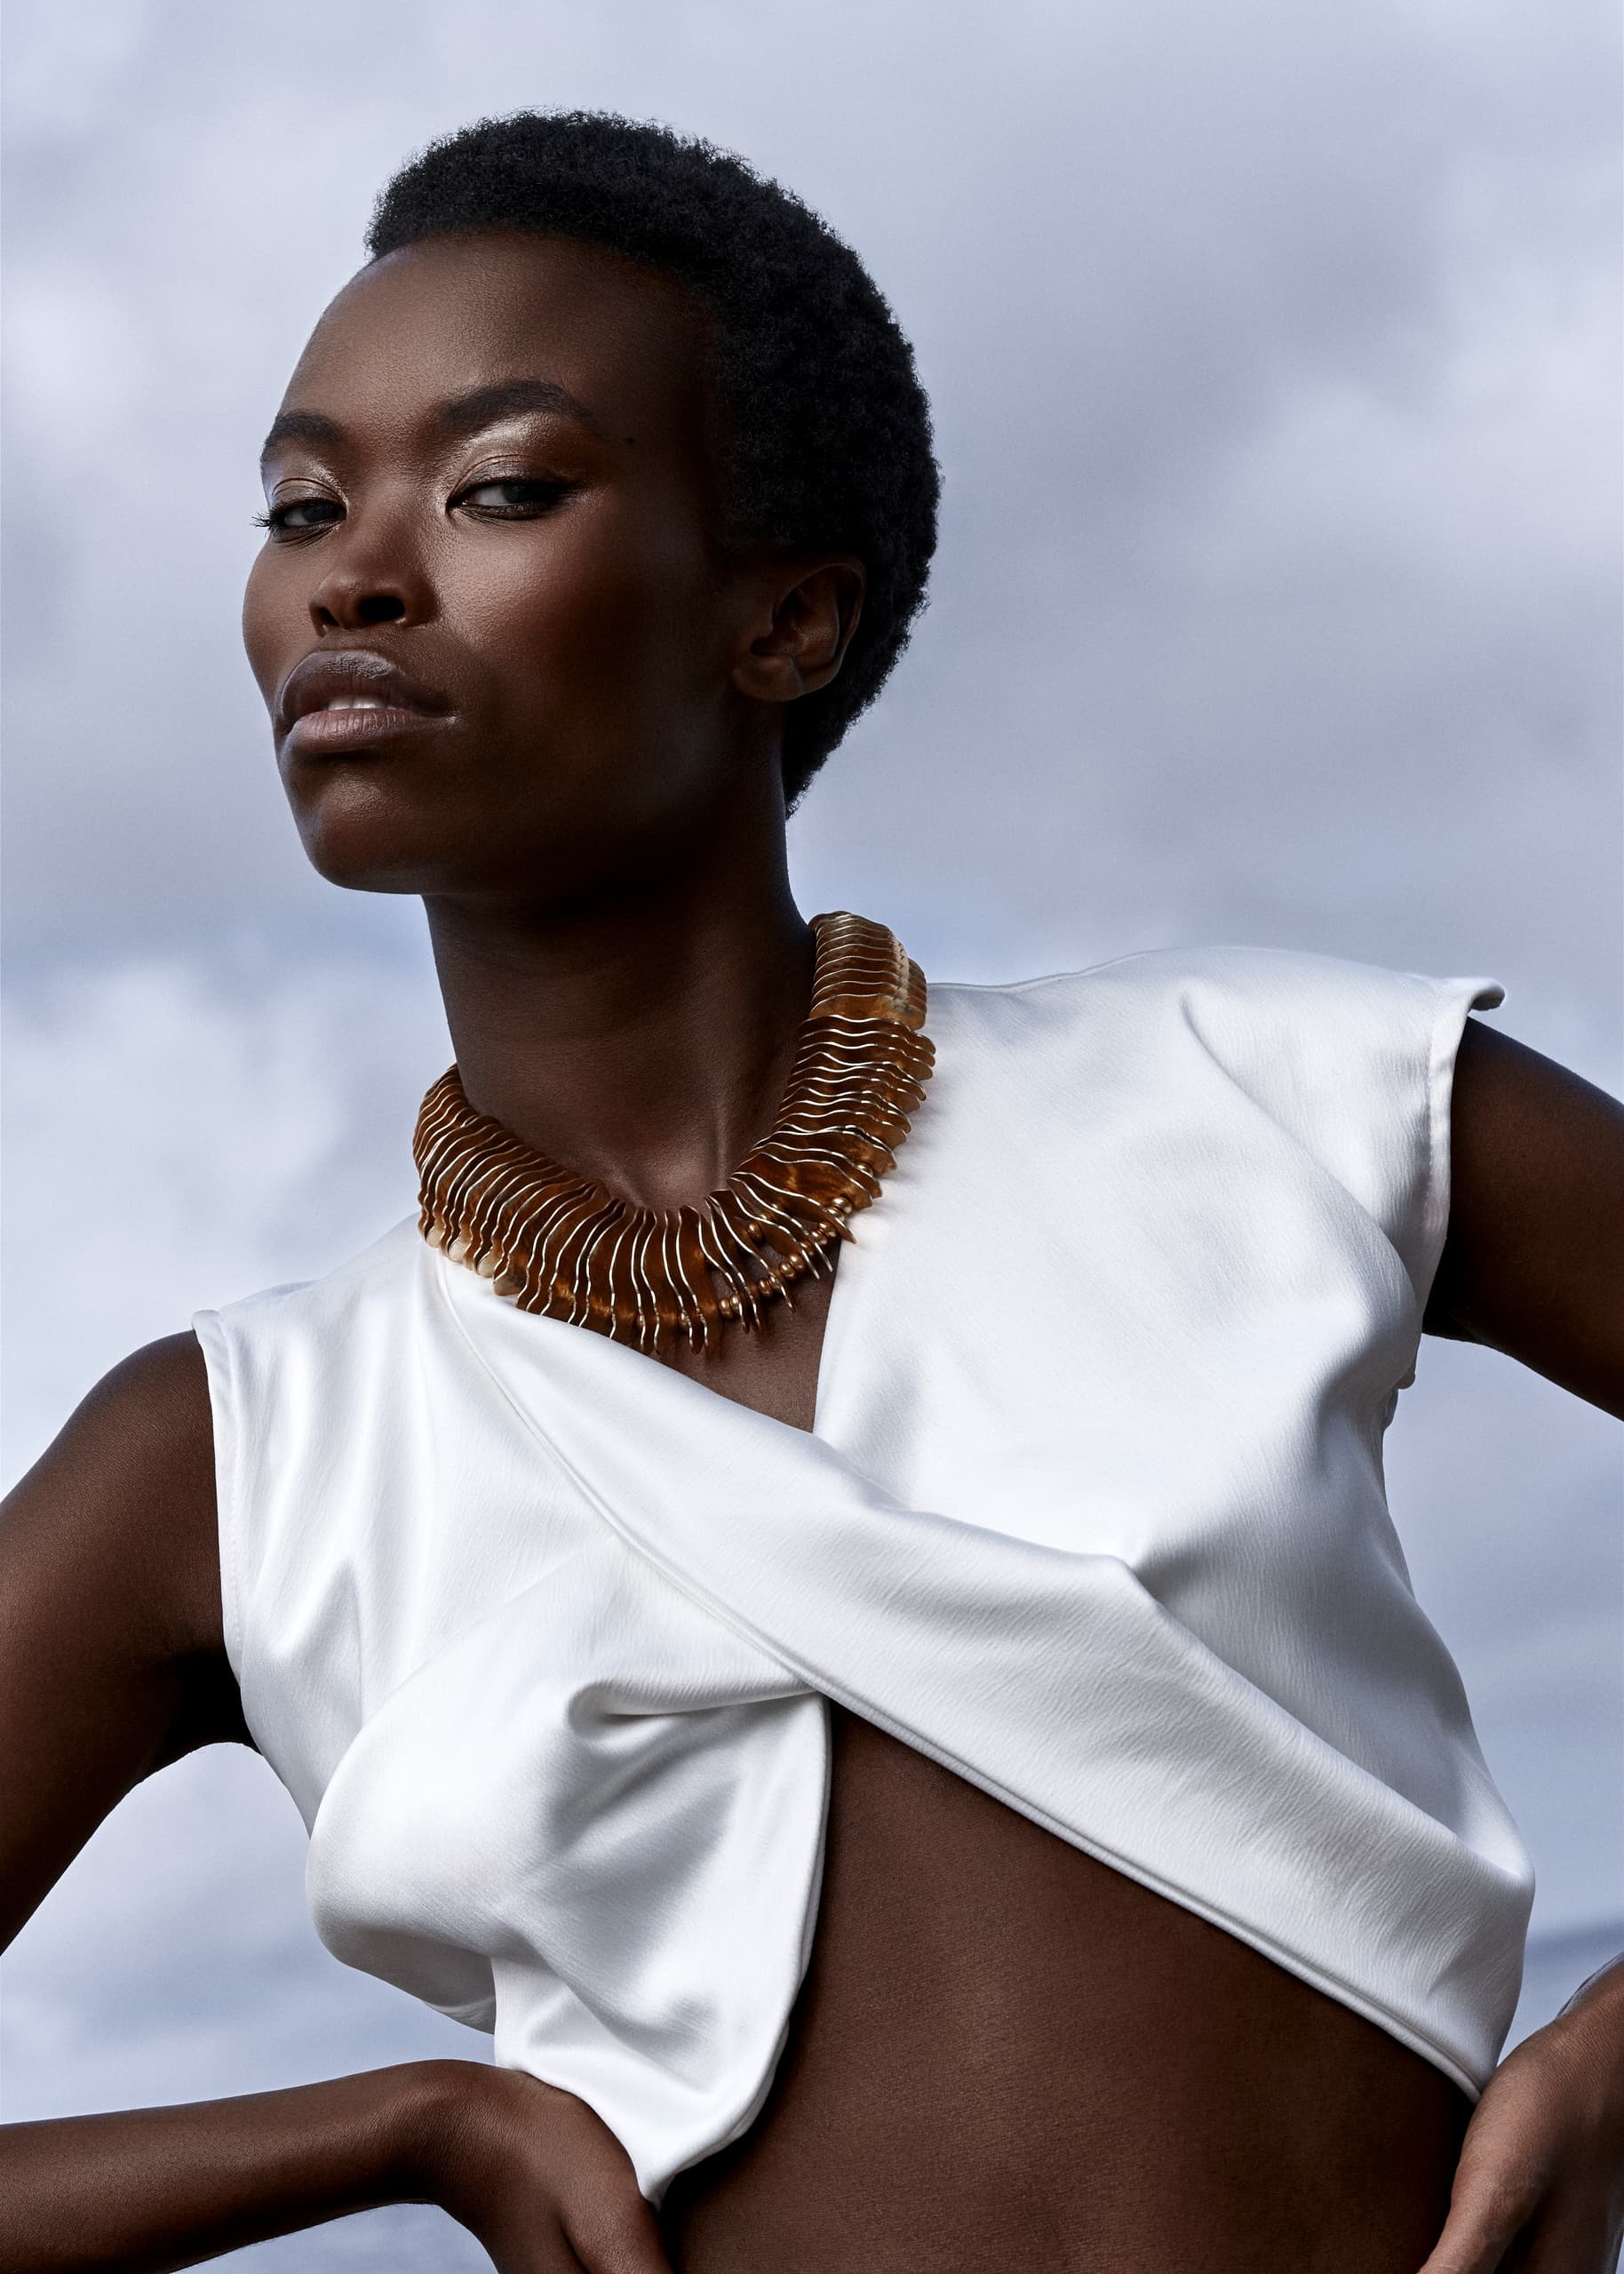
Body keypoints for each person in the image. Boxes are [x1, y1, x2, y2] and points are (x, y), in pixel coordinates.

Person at [1, 110, 1620, 2274]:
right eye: (304, 504)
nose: (351, 574)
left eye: (496, 486)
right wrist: (405, 2126)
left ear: (781, 617)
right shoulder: (235, 1454)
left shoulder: (1277, 1098)